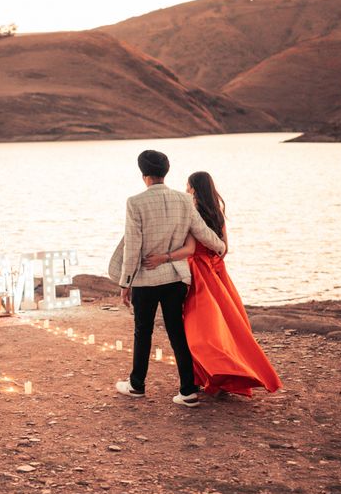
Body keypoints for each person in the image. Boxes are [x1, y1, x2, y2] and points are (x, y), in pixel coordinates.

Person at [142, 172, 282, 396]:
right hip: (217, 272)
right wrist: (214, 262)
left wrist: (163, 258)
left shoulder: (193, 213)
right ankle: (219, 378)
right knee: (226, 327)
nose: (186, 190)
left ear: (194, 189)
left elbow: (188, 249)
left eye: (187, 186)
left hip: (199, 274)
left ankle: (219, 374)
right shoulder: (218, 214)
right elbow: (224, 247)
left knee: (197, 332)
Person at [113, 150, 226, 408]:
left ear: (143, 175)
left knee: (143, 331)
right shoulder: (183, 200)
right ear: (166, 172)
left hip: (145, 279)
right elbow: (201, 231)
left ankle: (137, 385)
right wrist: (219, 246)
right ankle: (188, 390)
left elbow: (133, 246)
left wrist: (125, 282)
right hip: (176, 278)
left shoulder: (135, 202)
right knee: (177, 331)